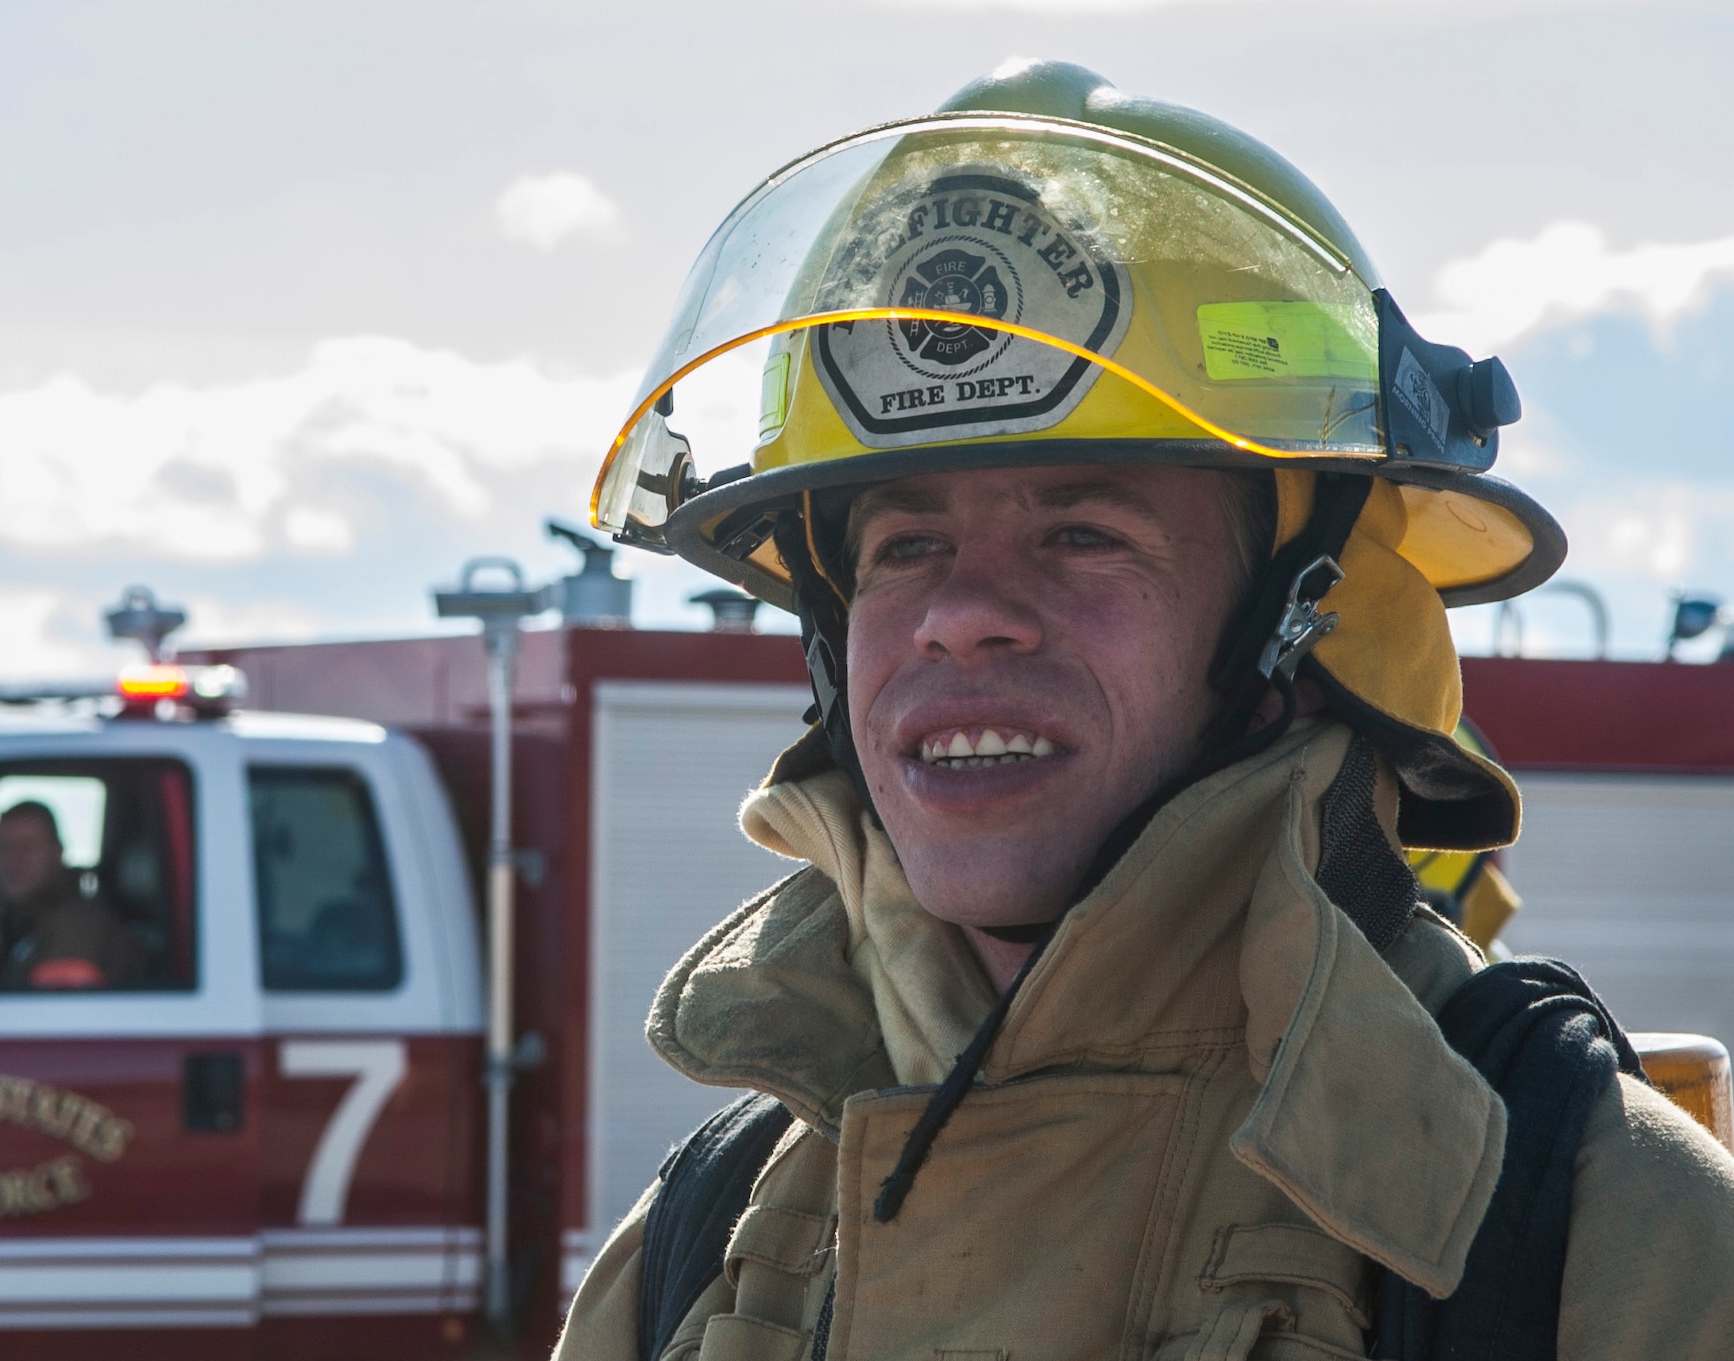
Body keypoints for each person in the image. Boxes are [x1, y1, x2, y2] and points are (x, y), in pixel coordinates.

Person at [560, 61, 1734, 1360]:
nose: (963, 613)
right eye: (902, 545)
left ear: (1304, 610)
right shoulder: (709, 1236)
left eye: (1081, 531)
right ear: (832, 637)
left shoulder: (1584, 1228)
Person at [0, 801, 146, 990]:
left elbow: (50, 1015)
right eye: (4, 847)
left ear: (56, 854)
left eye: (28, 847)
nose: (14, 860)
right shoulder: (22, 918)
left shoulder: (75, 926)